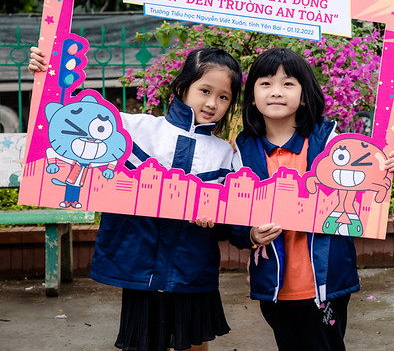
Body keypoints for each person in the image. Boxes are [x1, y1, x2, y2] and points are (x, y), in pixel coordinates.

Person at [30, 46, 241, 351]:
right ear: (182, 88)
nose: (212, 103)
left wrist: (216, 219)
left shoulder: (225, 154)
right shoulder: (135, 129)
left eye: (224, 97)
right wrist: (47, 74)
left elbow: (227, 224)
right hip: (141, 268)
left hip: (192, 271)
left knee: (193, 344)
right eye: (205, 90)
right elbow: (68, 117)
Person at [225, 47, 394, 350]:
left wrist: (385, 172)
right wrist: (250, 234)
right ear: (252, 97)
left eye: (288, 83)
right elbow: (232, 217)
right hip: (274, 286)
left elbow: (361, 195)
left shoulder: (331, 144)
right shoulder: (240, 153)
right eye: (265, 83)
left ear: (305, 95)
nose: (276, 92)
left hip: (326, 282)